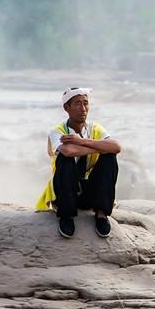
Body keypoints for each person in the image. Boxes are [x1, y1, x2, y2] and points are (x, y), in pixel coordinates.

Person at [35, 87, 122, 238]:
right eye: (77, 104)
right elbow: (69, 151)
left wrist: (81, 141)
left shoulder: (94, 128)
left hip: (88, 191)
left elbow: (116, 147)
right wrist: (98, 147)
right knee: (65, 157)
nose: (83, 108)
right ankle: (66, 216)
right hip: (64, 192)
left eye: (86, 103)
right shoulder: (57, 131)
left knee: (110, 157)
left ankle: (101, 214)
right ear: (66, 108)